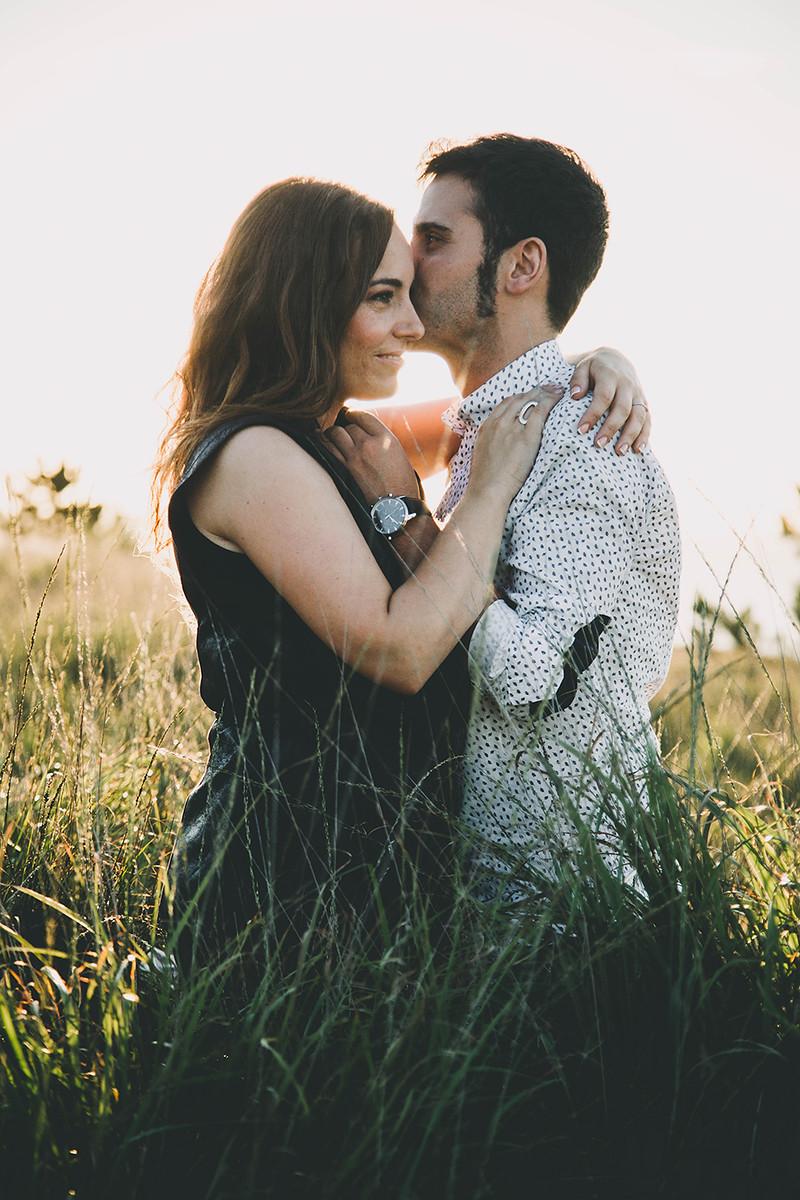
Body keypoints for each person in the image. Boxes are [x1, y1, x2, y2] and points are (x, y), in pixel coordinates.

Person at [152, 175, 650, 972]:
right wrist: (484, 492)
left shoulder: (341, 434)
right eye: (384, 298)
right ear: (305, 301)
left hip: (368, 879)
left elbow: (509, 403)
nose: (411, 325)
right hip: (281, 880)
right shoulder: (256, 458)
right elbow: (401, 650)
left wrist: (597, 362)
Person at [339, 135, 681, 908]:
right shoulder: (491, 426)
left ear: (522, 266)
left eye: (434, 239)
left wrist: (411, 526)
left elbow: (540, 678)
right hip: (485, 898)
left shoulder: (587, 441)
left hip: (560, 914)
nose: (406, 257)